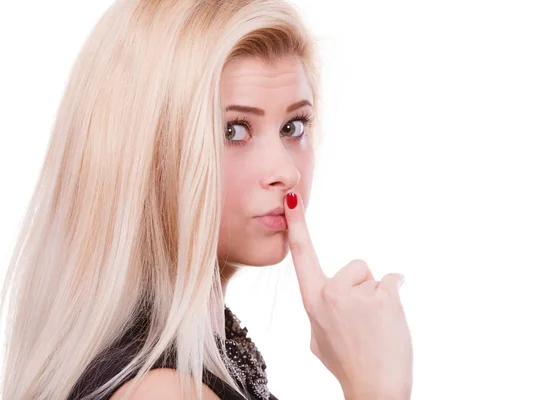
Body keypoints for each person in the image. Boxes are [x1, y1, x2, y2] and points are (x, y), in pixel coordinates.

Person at [0, 0, 413, 399]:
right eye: (234, 130)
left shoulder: (181, 363)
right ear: (143, 153)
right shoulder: (161, 391)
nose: (286, 172)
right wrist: (377, 390)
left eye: (292, 126)